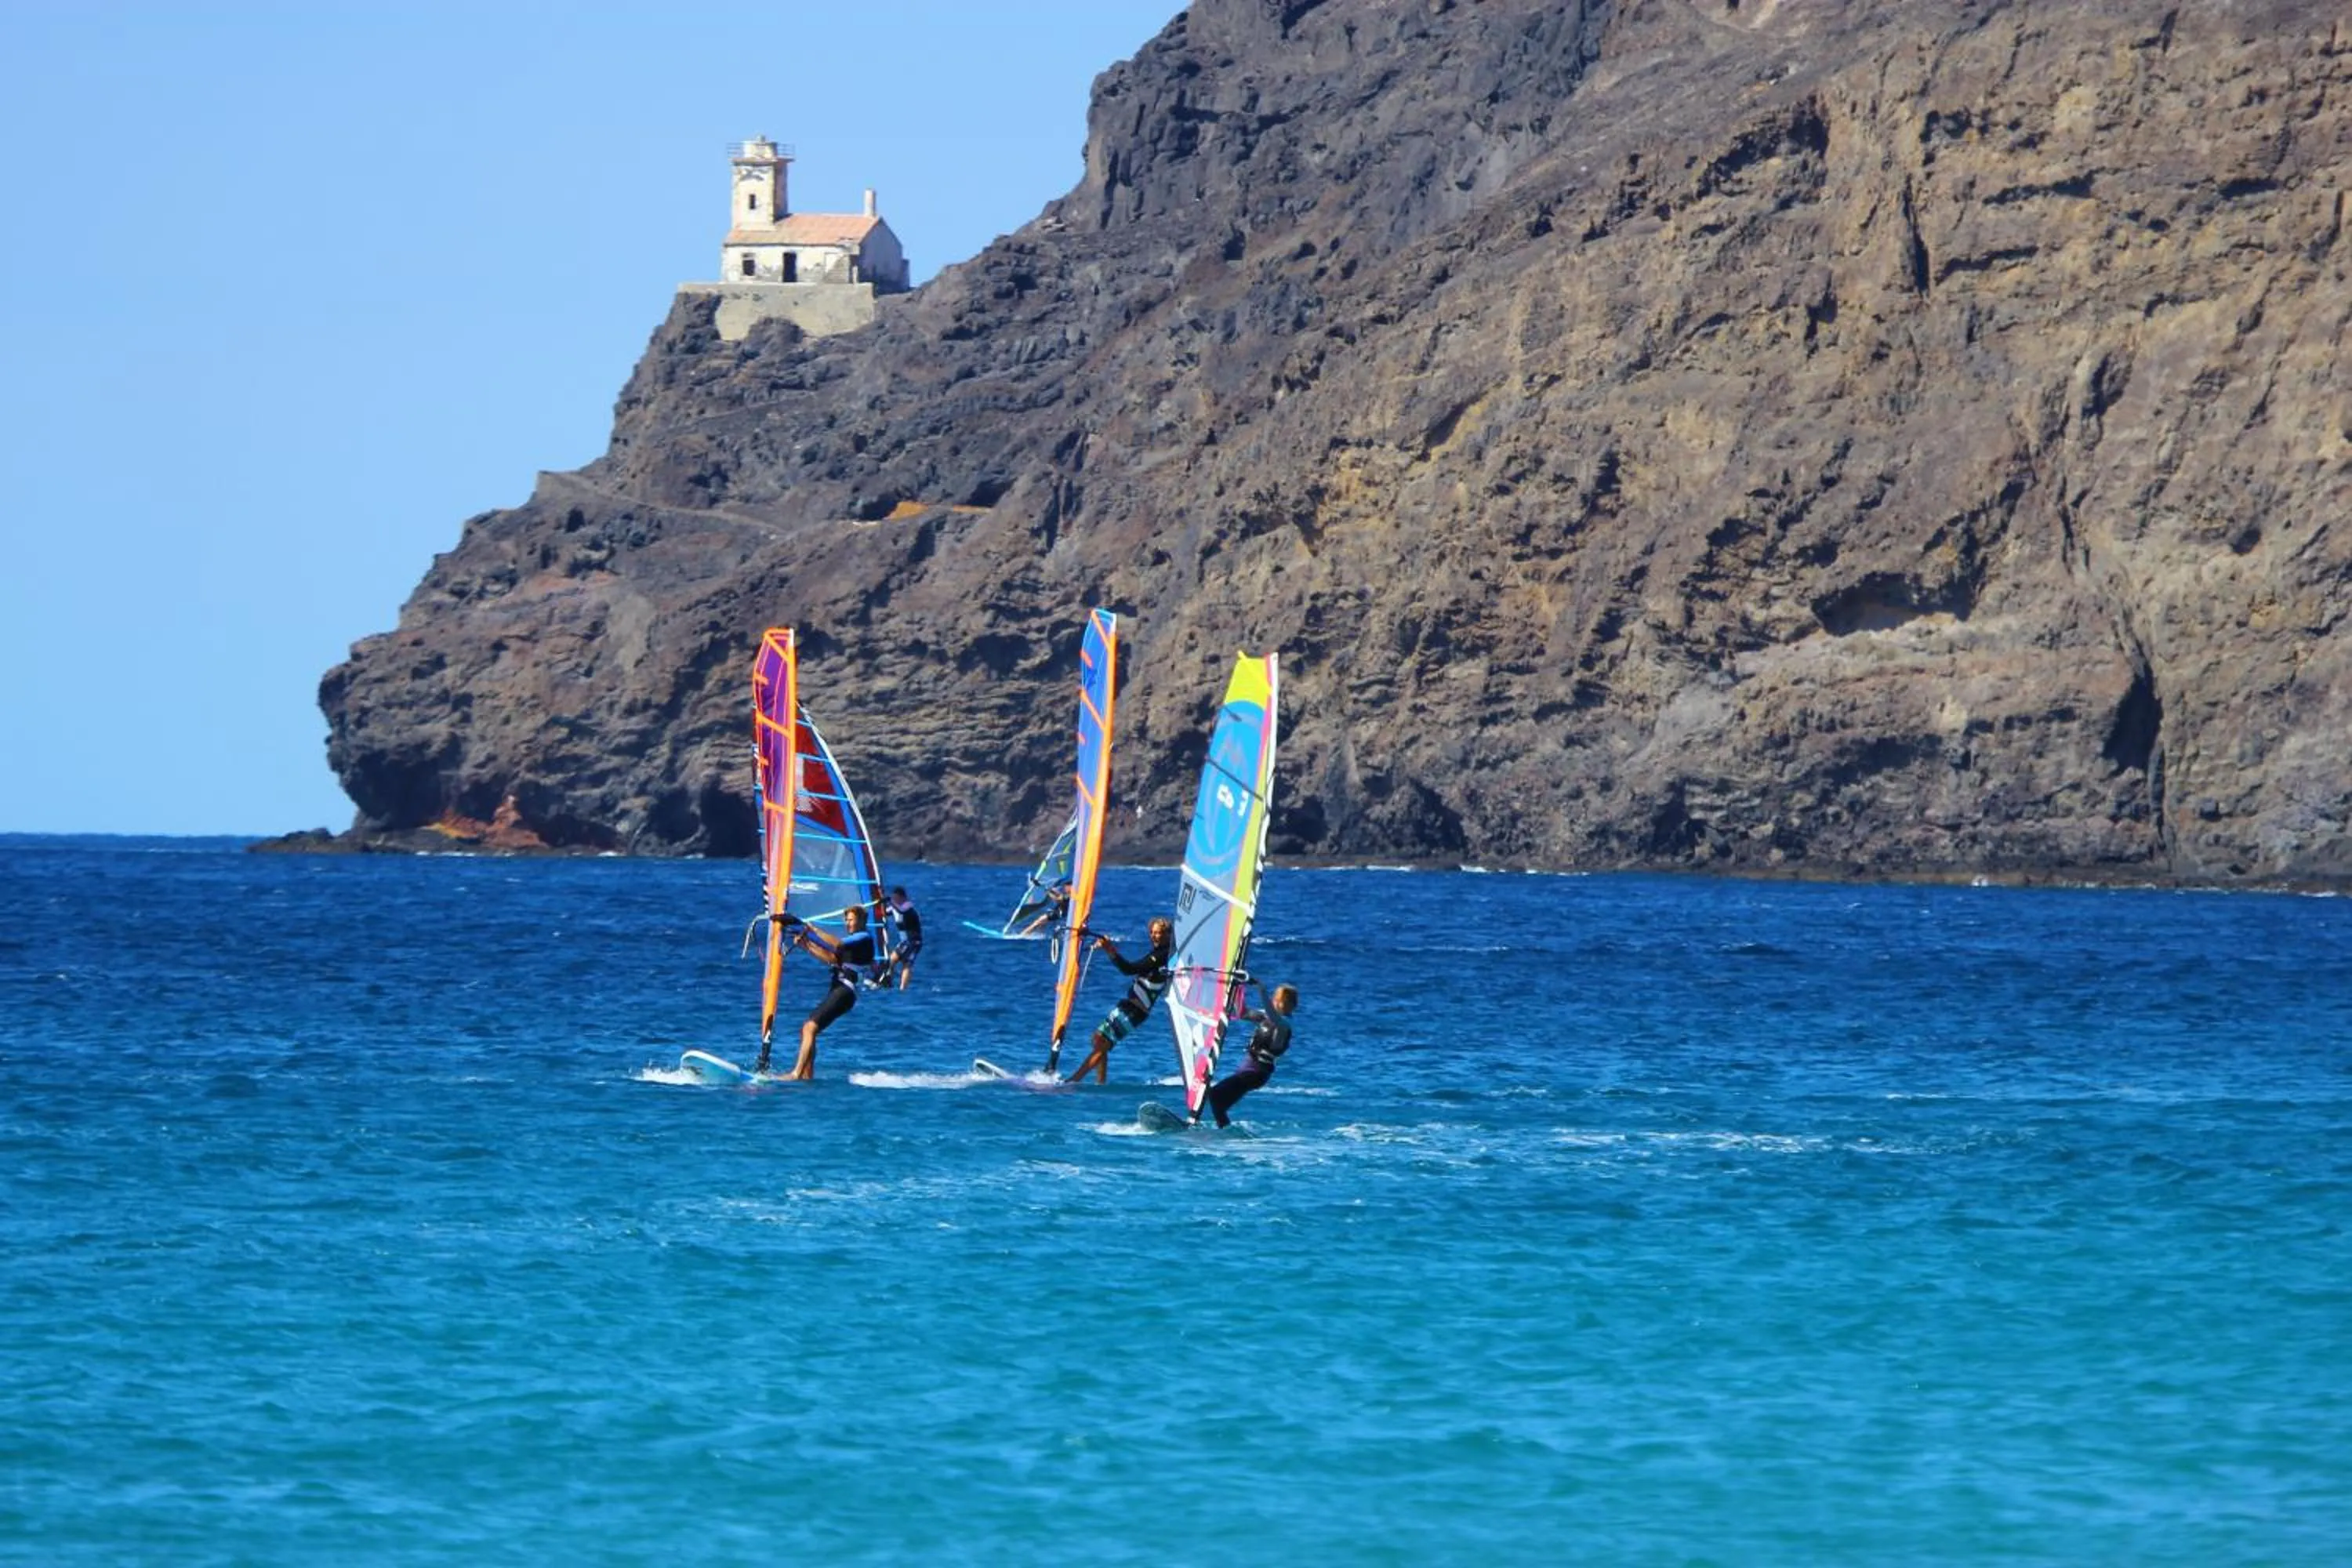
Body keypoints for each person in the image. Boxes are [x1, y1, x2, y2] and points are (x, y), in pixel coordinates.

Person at [754, 904, 884, 1079]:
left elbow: (837, 945)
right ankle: (807, 1075)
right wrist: (806, 945)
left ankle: (796, 1073)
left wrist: (809, 928)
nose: (847, 923)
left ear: (861, 920)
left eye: (851, 919)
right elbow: (831, 959)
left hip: (846, 990)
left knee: (809, 1028)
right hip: (840, 989)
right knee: (807, 1030)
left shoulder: (863, 938)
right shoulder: (854, 943)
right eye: (846, 919)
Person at [1062, 916, 1175, 1084]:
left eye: (1158, 933)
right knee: (1098, 1038)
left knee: (1103, 1044)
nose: (1154, 936)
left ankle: (1073, 1081)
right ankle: (1100, 1084)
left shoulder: (1162, 955)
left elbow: (1129, 969)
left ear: (1168, 934)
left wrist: (1110, 950)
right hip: (1128, 1005)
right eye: (1152, 932)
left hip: (1136, 1011)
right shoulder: (1156, 953)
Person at [1204, 980, 1298, 1127]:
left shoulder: (1283, 1026)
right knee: (1218, 1101)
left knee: (1215, 1095)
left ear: (1292, 1006)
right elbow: (1241, 1012)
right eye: (1278, 999)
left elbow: (1274, 1017)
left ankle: (1224, 1130)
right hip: (1247, 1070)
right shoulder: (1264, 1017)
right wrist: (1235, 988)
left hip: (1256, 1074)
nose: (1279, 1003)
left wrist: (1261, 989)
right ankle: (1225, 1130)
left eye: (1283, 1002)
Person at [879, 886, 923, 989]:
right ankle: (889, 981)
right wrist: (882, 900)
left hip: (914, 941)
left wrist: (890, 900)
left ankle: (903, 989)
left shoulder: (908, 907)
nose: (895, 900)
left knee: (905, 964)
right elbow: (884, 913)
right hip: (905, 941)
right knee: (892, 961)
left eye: (897, 898)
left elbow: (901, 910)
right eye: (894, 898)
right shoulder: (895, 907)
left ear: (903, 898)